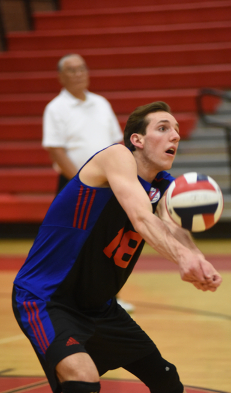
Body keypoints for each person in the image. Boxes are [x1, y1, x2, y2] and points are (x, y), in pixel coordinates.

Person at [12, 102, 231, 393]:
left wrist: (198, 260)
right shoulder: (115, 157)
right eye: (163, 127)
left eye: (177, 129)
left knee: (162, 374)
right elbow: (140, 216)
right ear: (137, 139)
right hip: (46, 298)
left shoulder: (162, 187)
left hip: (99, 306)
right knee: (82, 384)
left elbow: (172, 226)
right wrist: (182, 259)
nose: (175, 134)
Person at [42, 52, 133, 313]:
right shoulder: (55, 108)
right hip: (76, 188)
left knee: (110, 240)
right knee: (72, 242)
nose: (79, 73)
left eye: (82, 68)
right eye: (71, 70)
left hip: (109, 185)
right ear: (60, 76)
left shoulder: (101, 103)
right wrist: (80, 184)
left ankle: (110, 297)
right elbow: (56, 149)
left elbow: (116, 143)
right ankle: (65, 297)